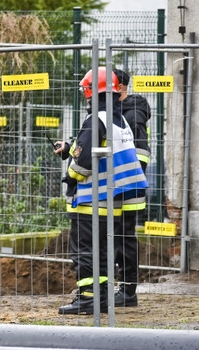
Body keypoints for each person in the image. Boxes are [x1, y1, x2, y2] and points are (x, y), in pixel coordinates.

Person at [52, 68, 149, 315]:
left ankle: (87, 299)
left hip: (90, 199)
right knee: (103, 250)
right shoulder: (120, 120)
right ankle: (102, 298)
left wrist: (70, 175)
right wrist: (72, 149)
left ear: (89, 92)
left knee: (84, 250)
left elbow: (83, 163)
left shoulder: (96, 119)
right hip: (110, 199)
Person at [112, 68, 151, 307]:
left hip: (126, 189)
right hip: (116, 187)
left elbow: (141, 155)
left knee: (124, 238)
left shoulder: (133, 116)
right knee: (117, 238)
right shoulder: (118, 113)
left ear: (120, 88)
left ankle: (127, 292)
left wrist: (127, 182)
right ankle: (122, 289)